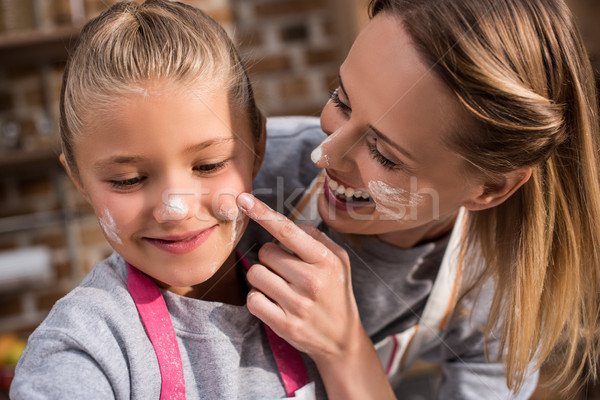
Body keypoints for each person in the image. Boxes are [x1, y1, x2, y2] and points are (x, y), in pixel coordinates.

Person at [235, 0, 600, 398]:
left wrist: (345, 351)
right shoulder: (245, 173)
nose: (324, 155)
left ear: (490, 189)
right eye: (341, 100)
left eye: (384, 154)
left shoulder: (498, 291)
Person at [10, 1, 326, 399]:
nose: (175, 208)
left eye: (209, 165)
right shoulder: (85, 348)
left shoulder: (312, 294)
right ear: (79, 179)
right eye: (129, 179)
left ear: (258, 147)